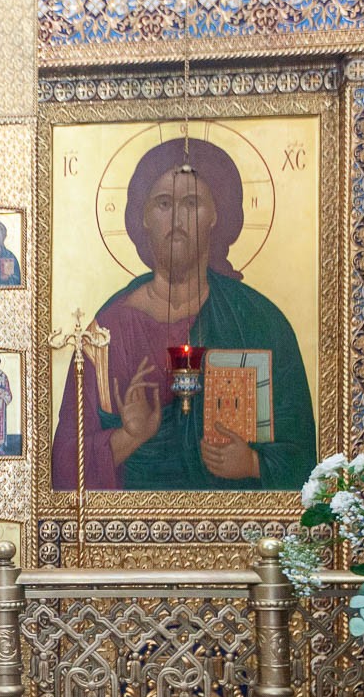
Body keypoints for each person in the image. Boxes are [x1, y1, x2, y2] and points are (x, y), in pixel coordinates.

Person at [50, 137, 316, 490]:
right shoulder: (107, 331)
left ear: (216, 215)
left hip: (236, 519)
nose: (177, 219)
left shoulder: (259, 321)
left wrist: (253, 463)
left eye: (192, 203)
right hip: (129, 521)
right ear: (143, 216)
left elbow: (305, 459)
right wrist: (130, 436)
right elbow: (64, 468)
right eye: (163, 203)